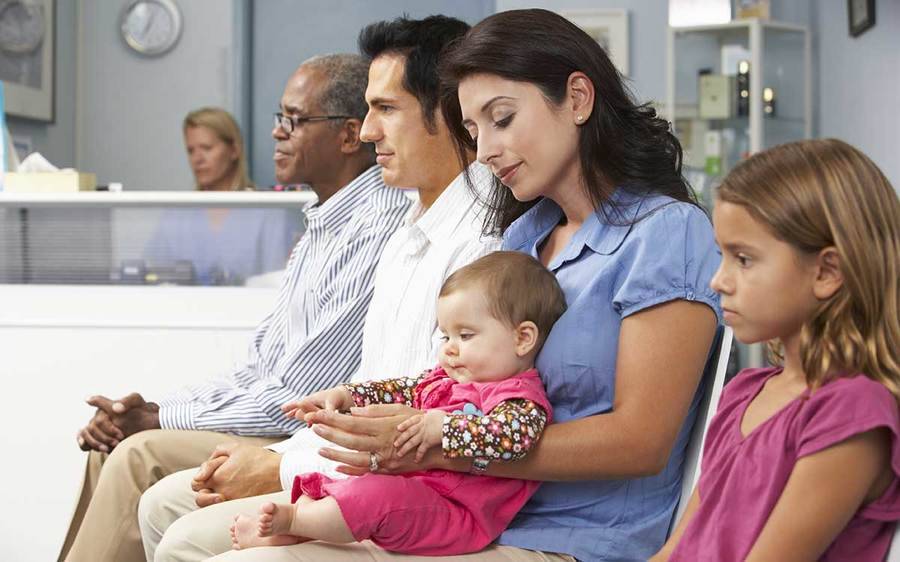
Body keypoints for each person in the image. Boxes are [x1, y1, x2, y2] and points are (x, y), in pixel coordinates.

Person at [207, 8, 721, 562]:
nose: (484, 151)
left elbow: (640, 442)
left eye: (502, 119)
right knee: (208, 537)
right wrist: (374, 409)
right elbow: (452, 380)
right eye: (473, 131)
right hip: (465, 513)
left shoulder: (664, 233)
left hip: (565, 540)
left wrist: (438, 442)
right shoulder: (524, 238)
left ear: (577, 98)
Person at [137, 16, 500, 562]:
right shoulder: (407, 232)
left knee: (182, 534)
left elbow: (417, 428)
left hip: (411, 494)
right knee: (162, 505)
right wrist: (285, 456)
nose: (370, 130)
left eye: (386, 109)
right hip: (353, 467)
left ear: (449, 113)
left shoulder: (480, 246)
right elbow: (361, 391)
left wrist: (279, 465)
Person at [59, 53, 412, 562]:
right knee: (114, 443)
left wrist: (160, 418)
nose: (277, 132)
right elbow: (258, 365)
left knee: (137, 456)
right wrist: (147, 411)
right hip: (273, 416)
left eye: (293, 120)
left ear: (349, 135)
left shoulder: (375, 226)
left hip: (291, 431)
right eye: (279, 119)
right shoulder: (322, 224)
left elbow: (294, 394)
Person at [652, 139, 900, 562]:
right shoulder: (743, 392)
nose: (719, 281)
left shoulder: (853, 412)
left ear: (826, 272)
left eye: (743, 259)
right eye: (722, 256)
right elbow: (678, 549)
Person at [229, 251, 565, 554]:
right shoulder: (448, 379)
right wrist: (349, 395)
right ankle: (298, 527)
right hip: (418, 491)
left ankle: (294, 523)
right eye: (445, 336)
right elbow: (403, 388)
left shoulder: (519, 398)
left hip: (455, 513)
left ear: (522, 339)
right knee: (357, 486)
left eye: (465, 336)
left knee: (375, 497)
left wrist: (443, 428)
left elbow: (515, 438)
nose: (449, 348)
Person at [144, 108, 299, 285]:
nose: (197, 159)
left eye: (206, 148)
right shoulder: (177, 216)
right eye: (190, 151)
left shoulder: (269, 214)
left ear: (234, 150)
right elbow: (153, 278)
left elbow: (280, 286)